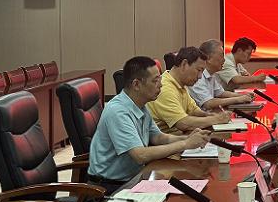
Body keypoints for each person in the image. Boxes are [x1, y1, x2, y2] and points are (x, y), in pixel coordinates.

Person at [88, 56, 209, 193]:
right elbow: (140, 155)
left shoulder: (140, 105)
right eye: (155, 81)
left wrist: (188, 138)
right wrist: (185, 144)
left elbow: (158, 137)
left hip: (136, 177)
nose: (161, 85)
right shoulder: (117, 111)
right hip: (109, 187)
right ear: (136, 85)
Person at [148, 46, 232, 132]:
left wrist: (211, 115)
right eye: (199, 70)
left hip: (181, 135)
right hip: (169, 137)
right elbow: (183, 123)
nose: (200, 76)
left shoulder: (180, 84)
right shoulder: (165, 88)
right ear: (184, 64)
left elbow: (193, 110)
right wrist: (217, 119)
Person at [190, 39, 255, 110]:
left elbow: (221, 93)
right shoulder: (197, 77)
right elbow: (208, 103)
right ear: (208, 58)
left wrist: (242, 95)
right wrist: (238, 99)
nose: (224, 60)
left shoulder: (211, 74)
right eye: (221, 56)